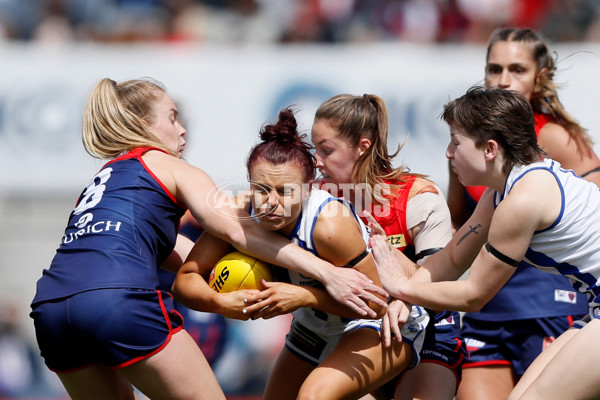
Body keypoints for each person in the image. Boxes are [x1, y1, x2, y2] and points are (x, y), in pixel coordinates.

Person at [28, 77, 387, 400]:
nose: (182, 130)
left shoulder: (104, 179)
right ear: (142, 126)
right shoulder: (164, 163)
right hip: (117, 300)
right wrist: (326, 274)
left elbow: (177, 254)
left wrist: (219, 291)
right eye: (172, 118)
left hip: (51, 309)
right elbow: (239, 231)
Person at [172, 107, 429, 400]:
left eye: (285, 191)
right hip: (314, 327)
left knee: (313, 396)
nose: (271, 203)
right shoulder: (241, 215)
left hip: (381, 324)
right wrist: (220, 302)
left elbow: (379, 303)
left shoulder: (328, 225)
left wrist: (304, 297)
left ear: (308, 189)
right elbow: (185, 280)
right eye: (262, 189)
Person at [369, 85, 600, 400]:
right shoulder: (506, 189)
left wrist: (400, 287)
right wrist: (406, 298)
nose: (448, 153)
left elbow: (473, 295)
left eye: (455, 142)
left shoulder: (523, 199)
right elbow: (451, 258)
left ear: (490, 149)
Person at [446, 27, 592, 400]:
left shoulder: (556, 137)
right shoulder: (467, 143)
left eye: (517, 69)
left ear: (540, 77)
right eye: (494, 69)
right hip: (487, 304)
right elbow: (459, 226)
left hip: (548, 305)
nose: (504, 80)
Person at [310, 93, 467, 399]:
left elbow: (441, 284)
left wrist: (384, 253)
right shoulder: (316, 198)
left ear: (362, 148)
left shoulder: (418, 197)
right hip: (356, 329)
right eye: (313, 149)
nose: (316, 161)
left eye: (326, 150)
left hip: (431, 327)